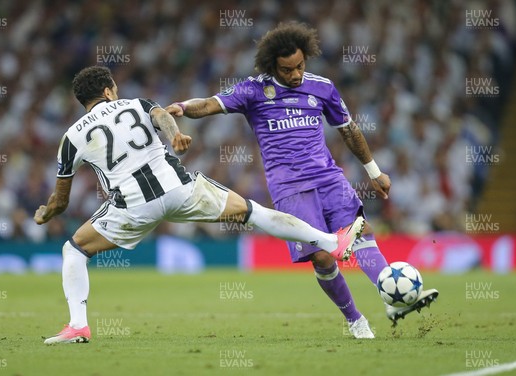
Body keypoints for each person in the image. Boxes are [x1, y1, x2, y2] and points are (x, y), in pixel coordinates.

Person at [35, 65, 362, 344]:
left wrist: (47, 212)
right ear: (108, 92)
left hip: (132, 207)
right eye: (115, 89)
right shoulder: (136, 104)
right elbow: (162, 115)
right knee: (252, 212)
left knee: (74, 251)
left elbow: (60, 200)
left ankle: (78, 324)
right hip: (179, 190)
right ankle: (332, 241)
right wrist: (176, 135)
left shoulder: (71, 138)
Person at [166, 21, 438, 334]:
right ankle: (355, 320)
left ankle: (392, 296)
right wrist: (183, 107)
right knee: (322, 257)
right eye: (287, 70)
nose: (295, 75)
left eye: (300, 66)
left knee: (361, 231)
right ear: (272, 66)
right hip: (289, 187)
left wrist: (374, 172)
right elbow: (210, 103)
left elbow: (348, 129)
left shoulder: (322, 87)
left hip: (328, 177)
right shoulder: (253, 90)